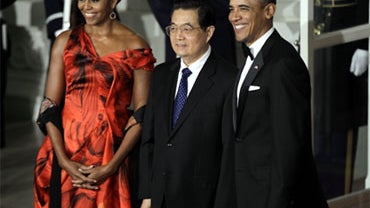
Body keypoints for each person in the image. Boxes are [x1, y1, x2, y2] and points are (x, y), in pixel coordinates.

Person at [33, 0, 156, 207]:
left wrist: (111, 166)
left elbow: (142, 113)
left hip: (114, 155)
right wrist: (63, 161)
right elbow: (49, 105)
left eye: (95, 0)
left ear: (114, 2)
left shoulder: (136, 46)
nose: (86, 6)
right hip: (66, 154)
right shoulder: (65, 42)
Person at [222, 0, 329, 207]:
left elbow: (288, 148)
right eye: (231, 9)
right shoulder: (250, 57)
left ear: (269, 11)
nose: (234, 16)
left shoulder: (284, 64)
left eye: (243, 8)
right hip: (248, 194)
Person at [138, 1, 238, 208]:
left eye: (187, 28)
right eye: (173, 28)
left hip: (202, 199)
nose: (178, 36)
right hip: (160, 198)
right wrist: (148, 195)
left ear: (208, 32)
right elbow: (150, 140)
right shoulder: (161, 74)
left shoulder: (229, 80)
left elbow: (230, 153)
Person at [147, 0, 236, 65]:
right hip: (176, 56)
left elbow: (230, 5)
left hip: (218, 38)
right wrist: (181, 25)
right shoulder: (159, 74)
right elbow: (160, 5)